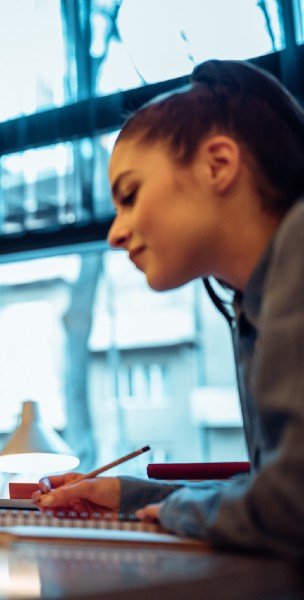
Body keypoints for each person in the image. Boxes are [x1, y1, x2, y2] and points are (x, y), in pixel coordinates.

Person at [31, 59, 304, 558]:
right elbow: (275, 488)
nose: (115, 233)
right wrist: (134, 497)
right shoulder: (254, 301)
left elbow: (291, 504)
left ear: (217, 164)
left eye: (130, 196)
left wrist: (174, 509)